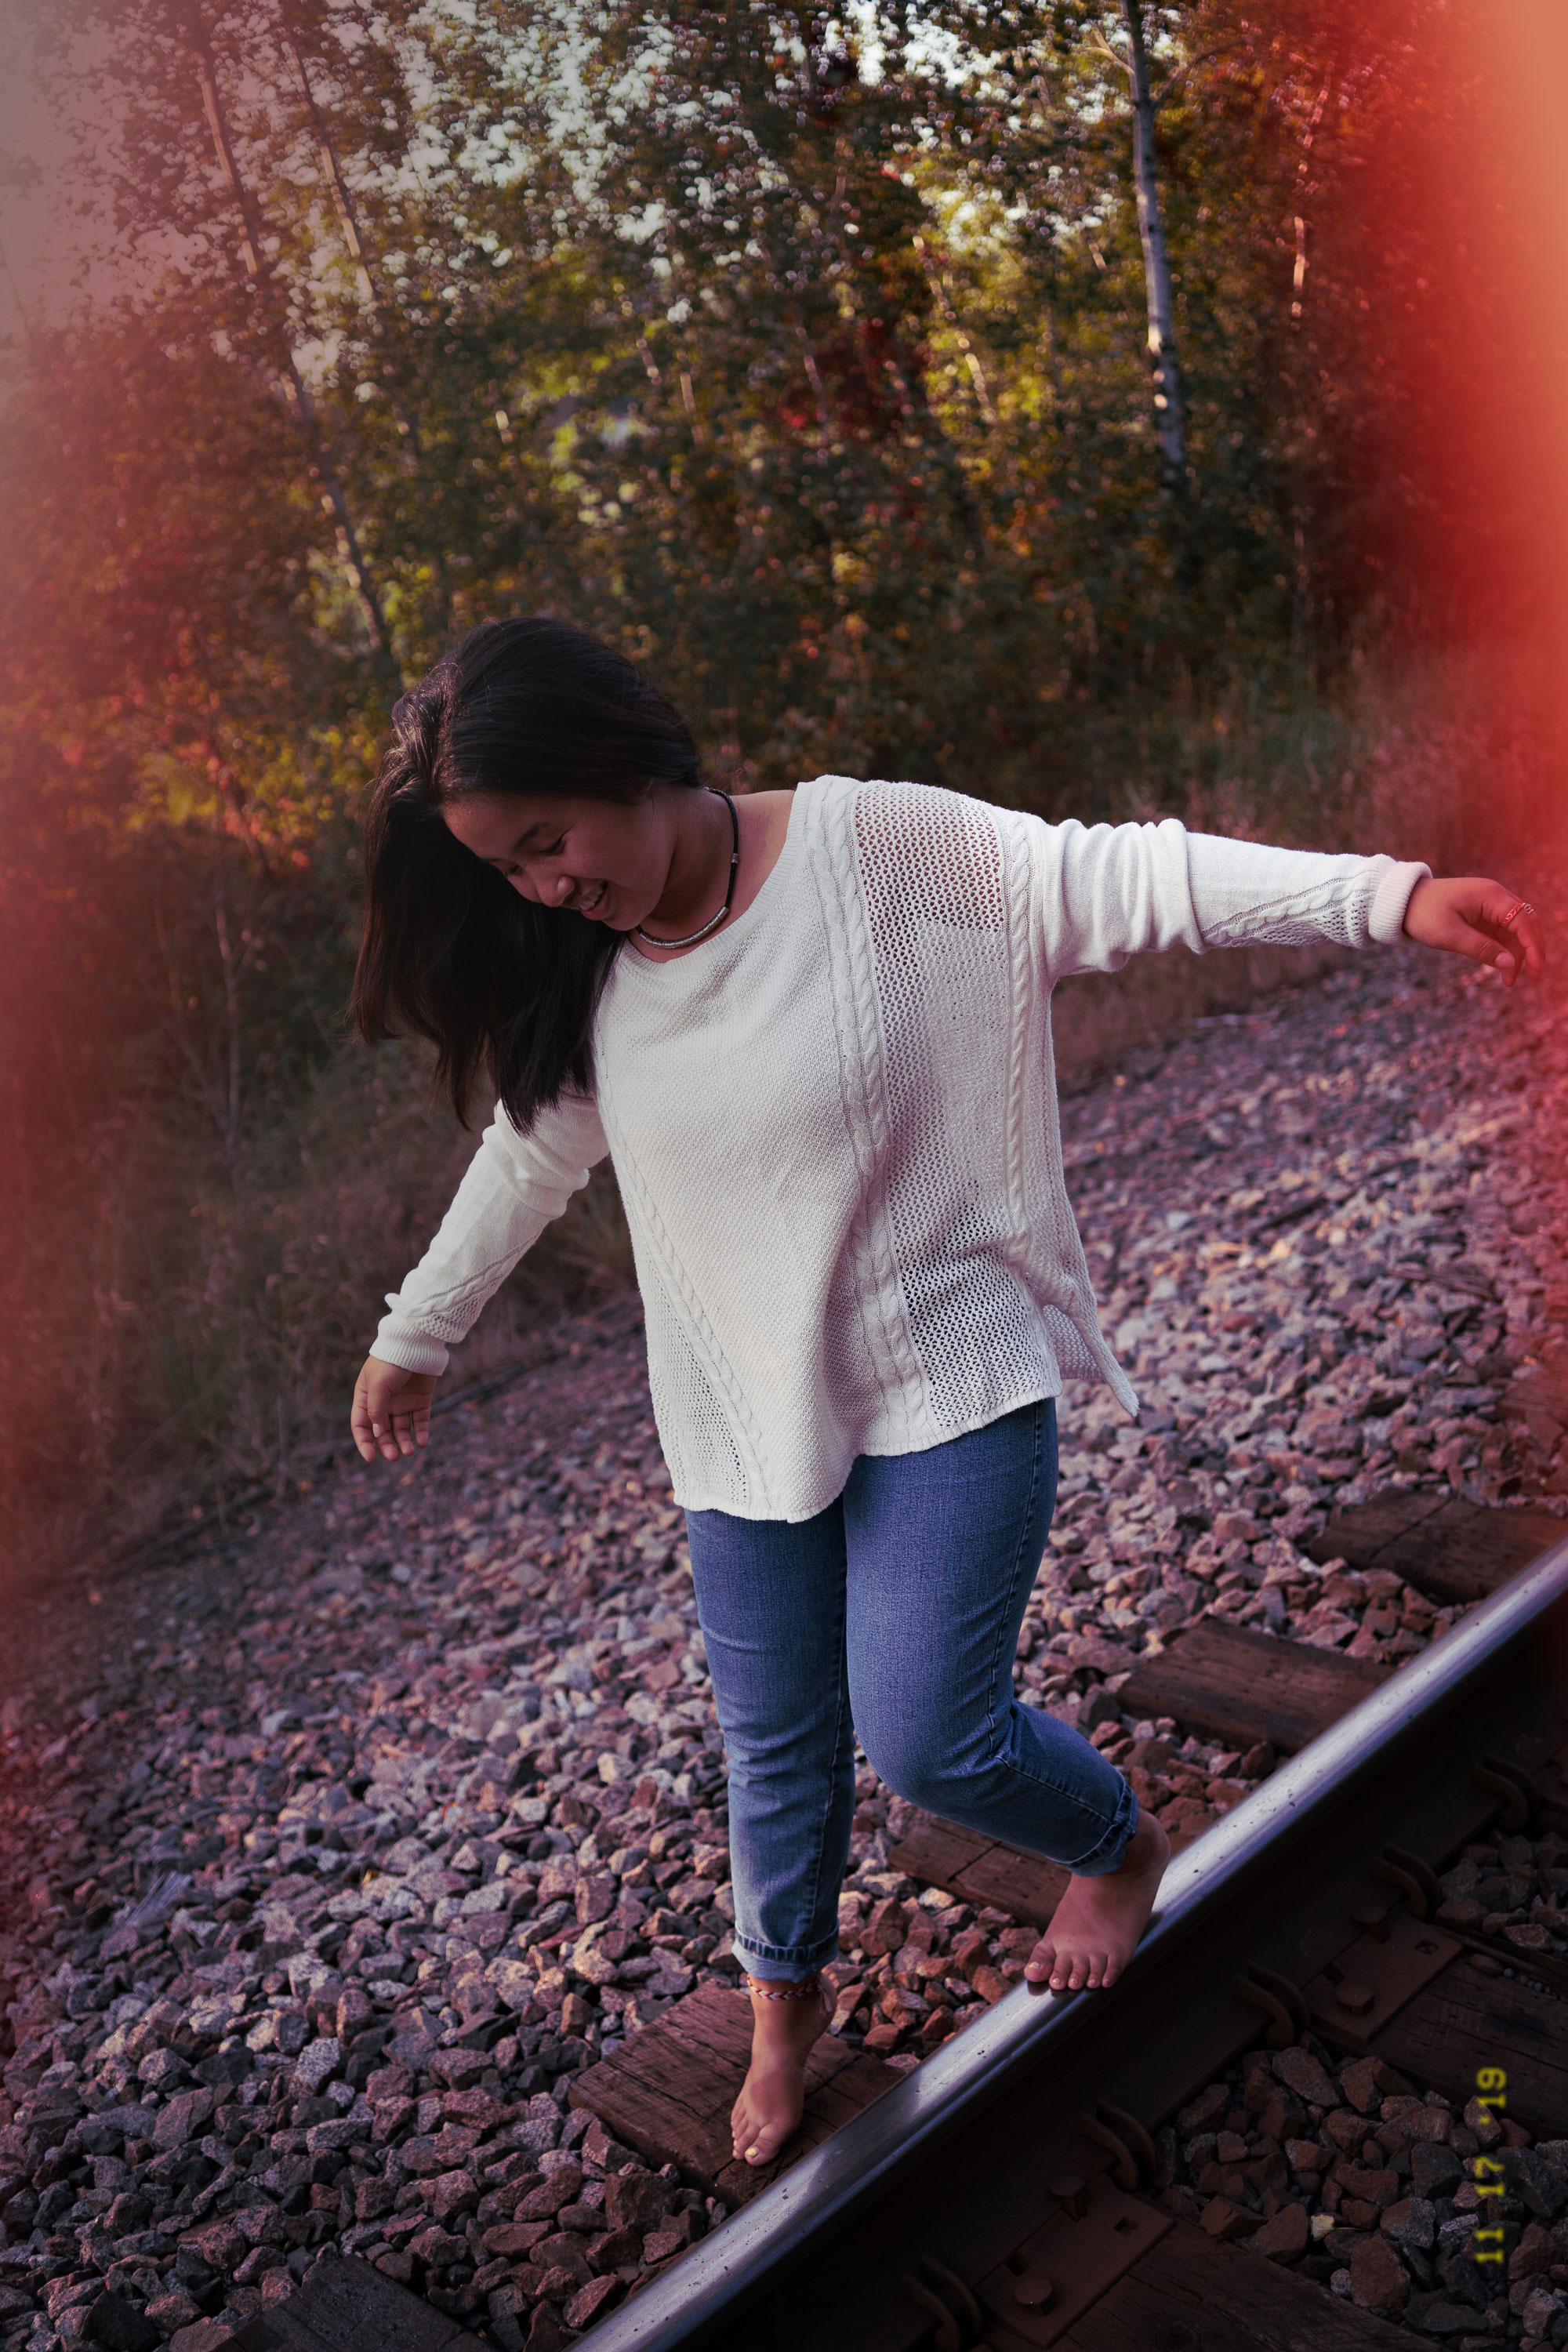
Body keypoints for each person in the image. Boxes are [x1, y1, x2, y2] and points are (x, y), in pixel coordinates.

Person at [348, 615, 1543, 2169]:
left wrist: (1384, 899)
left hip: (947, 1379)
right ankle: (787, 2012)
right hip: (741, 1424)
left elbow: (1125, 879)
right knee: (771, 1748)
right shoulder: (589, 979)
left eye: (546, 840)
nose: (543, 886)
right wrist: (416, 1332)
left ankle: (1116, 1848)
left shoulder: (872, 848)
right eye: (508, 869)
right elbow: (524, 1162)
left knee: (928, 1741)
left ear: (614, 757)